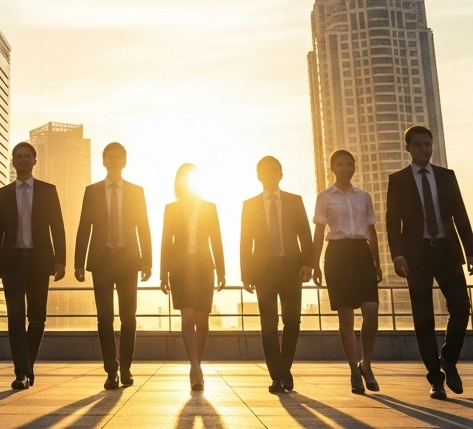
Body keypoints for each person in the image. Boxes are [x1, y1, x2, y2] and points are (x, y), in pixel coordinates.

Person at [386, 127, 473, 400]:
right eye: (418, 144)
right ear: (408, 148)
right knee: (423, 317)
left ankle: (448, 359)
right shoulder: (398, 180)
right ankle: (435, 379)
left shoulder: (446, 177)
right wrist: (397, 255)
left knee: (461, 306)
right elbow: (392, 223)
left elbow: (460, 214)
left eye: (428, 144)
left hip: (447, 251)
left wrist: (471, 252)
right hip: (417, 255)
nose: (424, 148)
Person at [0, 142, 66, 390]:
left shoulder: (48, 190)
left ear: (34, 161)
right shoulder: (3, 193)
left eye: (26, 156)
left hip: (39, 262)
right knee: (14, 318)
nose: (22, 160)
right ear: (13, 162)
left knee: (38, 318)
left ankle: (28, 365)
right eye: (18, 157)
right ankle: (21, 372)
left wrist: (60, 260)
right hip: (11, 263)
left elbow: (58, 228)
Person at [74, 142, 152, 390]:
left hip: (129, 261)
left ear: (125, 161)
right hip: (102, 260)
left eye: (118, 156)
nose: (114, 160)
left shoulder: (136, 191)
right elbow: (84, 227)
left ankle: (126, 366)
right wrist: (78, 262)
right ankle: (111, 370)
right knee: (104, 318)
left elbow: (144, 227)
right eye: (110, 156)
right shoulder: (93, 191)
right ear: (104, 160)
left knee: (129, 318)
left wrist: (147, 261)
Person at [240, 155, 313, 395]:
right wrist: (246, 273)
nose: (270, 175)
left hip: (291, 268)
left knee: (292, 321)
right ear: (258, 176)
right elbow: (245, 241)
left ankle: (284, 369)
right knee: (268, 324)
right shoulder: (249, 205)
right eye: (265, 171)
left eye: (275, 171)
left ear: (281, 174)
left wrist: (308, 264)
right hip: (264, 270)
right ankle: (277, 376)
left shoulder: (294, 200)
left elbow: (305, 235)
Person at [310, 150, 382, 395]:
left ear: (354, 167)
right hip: (337, 255)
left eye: (349, 164)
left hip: (361, 253)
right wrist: (314, 263)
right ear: (332, 168)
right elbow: (319, 232)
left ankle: (366, 363)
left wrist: (377, 261)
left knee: (371, 311)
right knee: (346, 317)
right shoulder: (324, 197)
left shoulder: (363, 196)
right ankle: (353, 368)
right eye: (340, 164)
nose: (345, 167)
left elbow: (372, 231)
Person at [159, 163, 224, 391]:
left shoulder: (209, 207)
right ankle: (195, 366)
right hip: (180, 269)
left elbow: (216, 240)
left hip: (204, 267)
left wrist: (222, 270)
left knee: (202, 321)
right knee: (187, 317)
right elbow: (166, 242)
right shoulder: (171, 209)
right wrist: (163, 272)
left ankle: (197, 362)